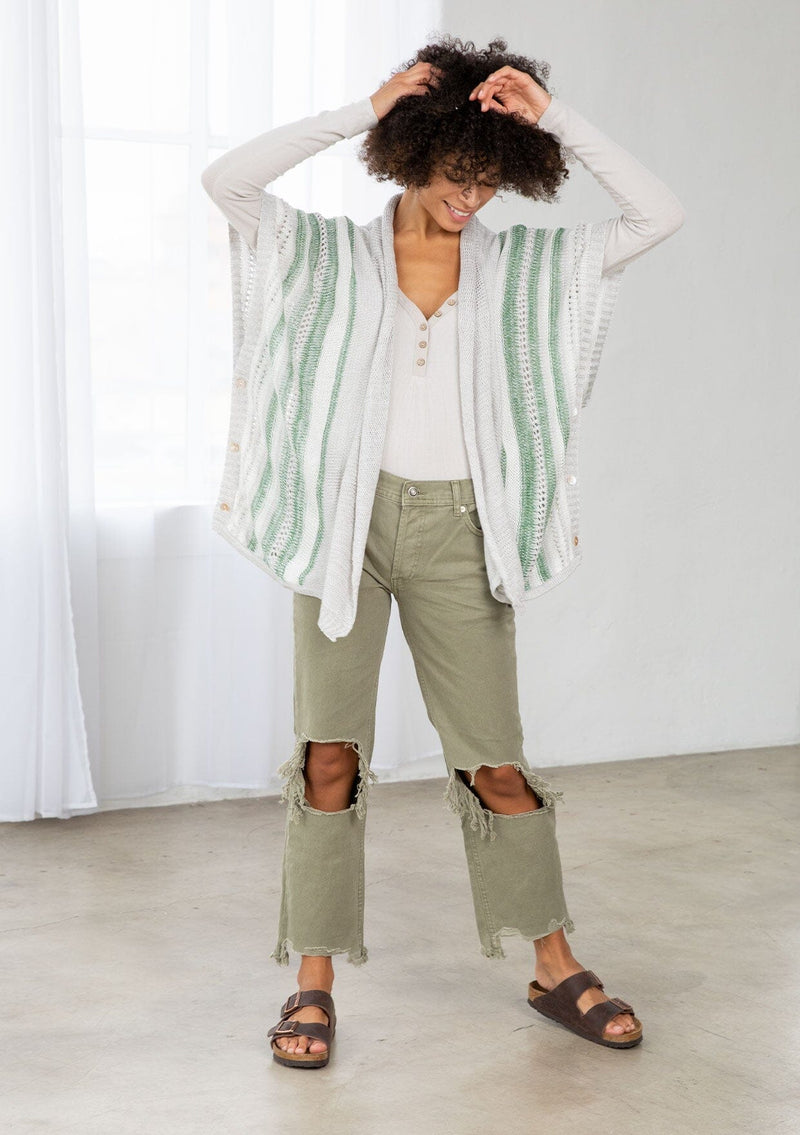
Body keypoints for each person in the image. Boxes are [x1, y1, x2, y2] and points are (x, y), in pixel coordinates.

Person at [201, 34, 685, 1068]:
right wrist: (360, 109)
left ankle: (553, 964)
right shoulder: (328, 251)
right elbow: (227, 182)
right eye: (456, 171)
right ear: (410, 151)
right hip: (345, 532)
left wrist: (556, 119)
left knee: (493, 759)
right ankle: (313, 979)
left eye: (491, 178)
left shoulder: (525, 268)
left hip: (463, 533)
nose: (471, 197)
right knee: (328, 755)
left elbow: (658, 214)